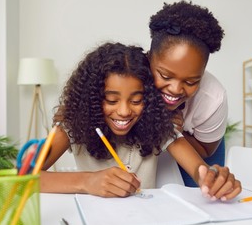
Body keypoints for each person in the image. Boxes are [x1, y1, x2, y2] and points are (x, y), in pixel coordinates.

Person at [40, 42, 241, 201]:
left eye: (137, 100)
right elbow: (21, 179)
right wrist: (87, 181)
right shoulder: (71, 126)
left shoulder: (158, 124)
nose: (124, 111)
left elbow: (199, 170)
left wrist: (212, 177)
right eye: (111, 100)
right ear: (91, 99)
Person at [148, 0, 229, 187]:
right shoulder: (131, 78)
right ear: (149, 58)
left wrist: (177, 130)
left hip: (195, 145)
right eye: (165, 75)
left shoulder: (213, 98)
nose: (176, 89)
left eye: (191, 81)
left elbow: (206, 151)